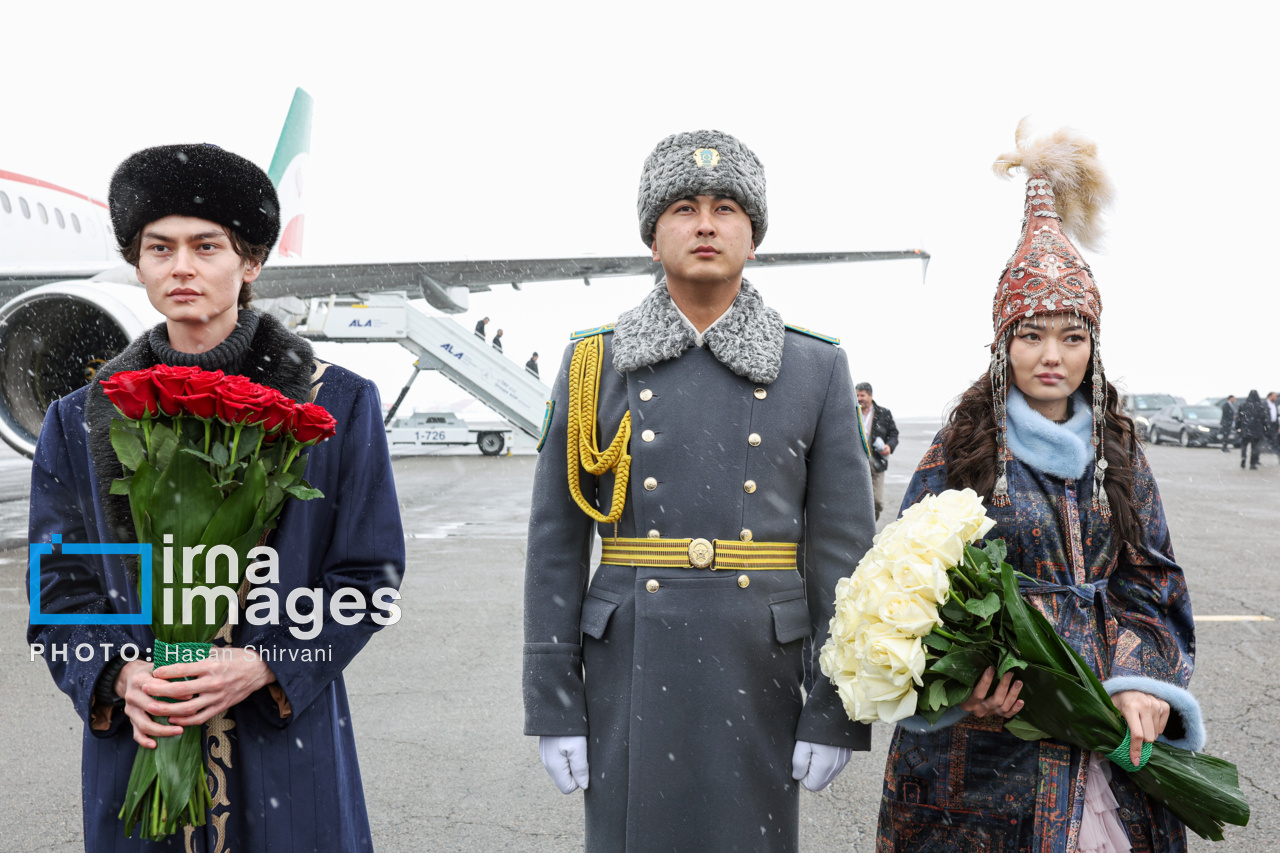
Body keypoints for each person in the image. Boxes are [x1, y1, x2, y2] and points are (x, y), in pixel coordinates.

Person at [26, 144, 405, 851]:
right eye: (158, 247)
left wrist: (267, 662)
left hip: (285, 753)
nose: (181, 267)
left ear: (251, 262)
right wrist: (117, 674)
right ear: (135, 263)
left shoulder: (339, 404)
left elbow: (369, 577)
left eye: (207, 246)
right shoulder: (79, 419)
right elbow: (60, 591)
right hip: (144, 746)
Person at [523, 129, 875, 851]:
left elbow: (844, 557)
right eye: (684, 207)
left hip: (758, 671)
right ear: (653, 238)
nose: (707, 224)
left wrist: (837, 707)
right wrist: (554, 702)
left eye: (726, 207)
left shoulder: (815, 368)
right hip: (629, 667)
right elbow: (555, 545)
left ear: (755, 235)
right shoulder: (596, 363)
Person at [877, 127, 1201, 852]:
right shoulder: (961, 449)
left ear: (1094, 344)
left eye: (1072, 335)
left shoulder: (1119, 450)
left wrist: (1139, 681)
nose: (1052, 355)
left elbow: (1151, 582)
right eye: (1032, 335)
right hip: (985, 748)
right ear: (1002, 343)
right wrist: (960, 683)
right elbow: (908, 585)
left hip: (1107, 726)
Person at [855, 381, 899, 520]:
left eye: (862, 395)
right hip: (856, 462)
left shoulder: (883, 413)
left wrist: (889, 447)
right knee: (857, 500)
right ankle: (861, 527)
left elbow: (894, 434)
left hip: (877, 463)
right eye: (857, 395)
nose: (859, 399)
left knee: (877, 502)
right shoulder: (852, 412)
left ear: (870, 395)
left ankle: (871, 524)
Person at [1236, 389, 1268, 469]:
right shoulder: (1260, 406)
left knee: (1244, 445)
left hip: (1245, 429)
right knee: (1254, 447)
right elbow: (1264, 419)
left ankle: (1243, 457)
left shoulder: (1243, 405)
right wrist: (1265, 429)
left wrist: (1238, 427)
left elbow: (1239, 418)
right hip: (1256, 430)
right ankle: (1252, 463)